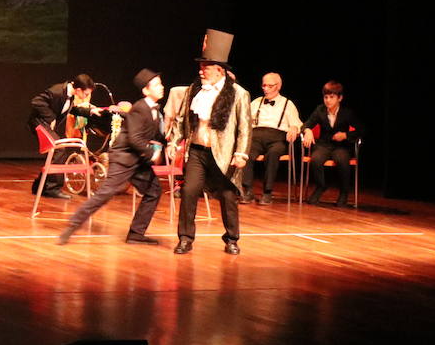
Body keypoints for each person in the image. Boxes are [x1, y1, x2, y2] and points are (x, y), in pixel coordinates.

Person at [163, 29, 251, 255]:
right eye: (200, 66)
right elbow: (183, 118)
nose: (201, 71)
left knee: (228, 197)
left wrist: (241, 153)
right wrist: (174, 142)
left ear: (220, 70)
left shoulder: (239, 94)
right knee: (189, 191)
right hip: (198, 153)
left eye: (206, 67)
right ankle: (185, 238)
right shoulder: (195, 90)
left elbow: (244, 127)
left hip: (223, 154)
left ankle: (231, 239)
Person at [58, 68, 167, 245]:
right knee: (105, 193)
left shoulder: (153, 109)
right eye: (156, 85)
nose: (161, 87)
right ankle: (72, 225)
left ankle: (136, 234)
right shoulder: (141, 108)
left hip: (138, 160)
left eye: (160, 83)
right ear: (146, 90)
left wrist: (165, 145)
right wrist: (151, 155)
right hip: (124, 158)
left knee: (154, 191)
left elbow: (153, 135)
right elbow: (134, 138)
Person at [27, 73, 98, 199]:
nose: (86, 97)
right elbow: (36, 101)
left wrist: (90, 111)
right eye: (86, 94)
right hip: (39, 123)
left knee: (56, 150)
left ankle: (40, 186)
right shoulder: (57, 91)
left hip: (45, 123)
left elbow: (72, 109)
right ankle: (52, 188)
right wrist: (51, 117)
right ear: (78, 89)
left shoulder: (70, 94)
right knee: (58, 148)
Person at [240, 72, 302, 204]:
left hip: (277, 138)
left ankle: (267, 192)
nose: (266, 89)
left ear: (278, 86)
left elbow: (297, 123)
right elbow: (244, 120)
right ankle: (248, 190)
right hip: (256, 136)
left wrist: (295, 128)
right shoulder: (256, 102)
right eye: (264, 85)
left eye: (270, 86)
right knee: (246, 152)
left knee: (273, 153)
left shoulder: (287, 104)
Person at [302, 80, 363, 206]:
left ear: (339, 98)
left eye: (331, 97)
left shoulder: (347, 113)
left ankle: (344, 192)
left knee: (342, 159)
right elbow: (307, 124)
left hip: (341, 146)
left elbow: (362, 129)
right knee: (316, 159)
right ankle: (320, 186)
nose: (328, 100)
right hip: (324, 145)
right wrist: (307, 130)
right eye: (326, 97)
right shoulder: (320, 110)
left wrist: (345, 135)